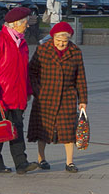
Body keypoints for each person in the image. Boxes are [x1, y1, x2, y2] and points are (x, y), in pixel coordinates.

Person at [0, 6, 37, 174]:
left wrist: (27, 91)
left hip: (16, 95)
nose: (27, 26)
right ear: (15, 24)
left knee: (17, 130)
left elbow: (24, 71)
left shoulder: (22, 44)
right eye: (25, 23)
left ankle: (21, 163)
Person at [28, 21, 88, 172]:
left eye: (64, 41)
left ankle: (69, 162)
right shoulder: (42, 50)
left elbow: (80, 77)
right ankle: (41, 158)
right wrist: (37, 90)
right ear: (53, 38)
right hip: (45, 96)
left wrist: (83, 100)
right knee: (43, 129)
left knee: (68, 130)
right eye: (58, 41)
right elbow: (32, 72)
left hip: (67, 96)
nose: (61, 44)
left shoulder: (75, 52)